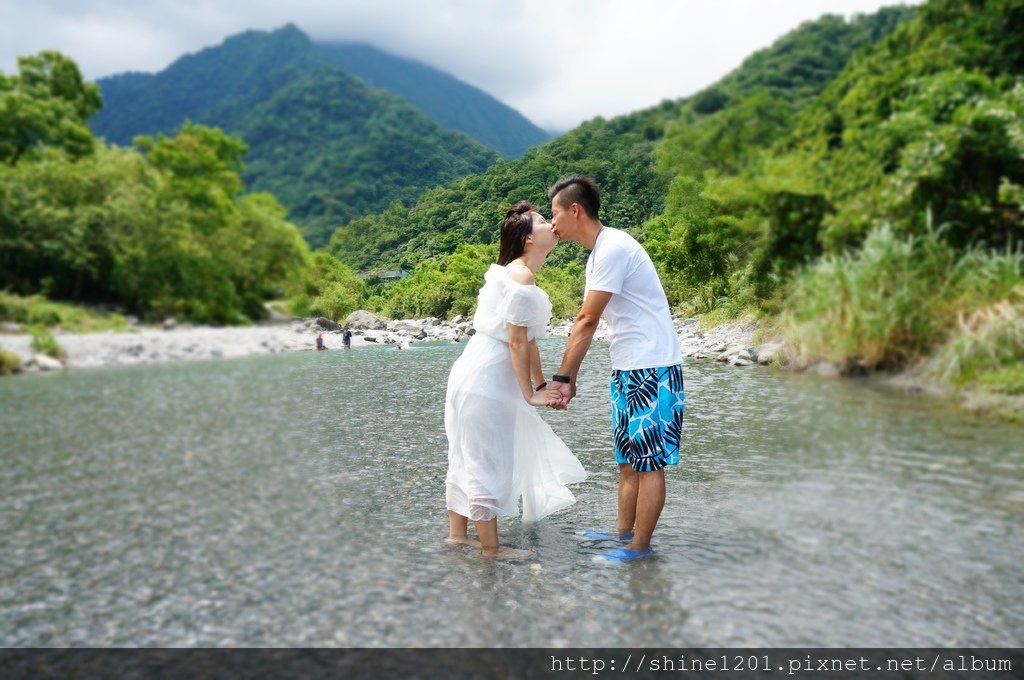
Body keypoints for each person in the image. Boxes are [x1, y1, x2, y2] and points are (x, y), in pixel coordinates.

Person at [547, 175, 684, 562]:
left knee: (649, 462)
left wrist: (562, 379)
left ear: (575, 210)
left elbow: (587, 320)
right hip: (629, 366)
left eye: (555, 214)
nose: (553, 223)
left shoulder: (613, 248)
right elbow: (589, 322)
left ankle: (640, 548)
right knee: (628, 461)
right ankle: (623, 535)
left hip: (652, 366)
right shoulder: (598, 253)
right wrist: (568, 381)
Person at [444, 201, 587, 560]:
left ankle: (458, 537)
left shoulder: (511, 272)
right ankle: (491, 551)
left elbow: (531, 339)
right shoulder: (521, 275)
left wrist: (541, 385)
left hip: (473, 372)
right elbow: (516, 341)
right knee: (486, 460)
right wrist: (530, 394)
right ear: (527, 238)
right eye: (542, 221)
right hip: (487, 379)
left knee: (466, 455)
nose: (550, 224)